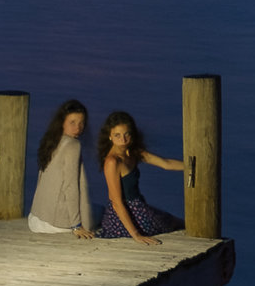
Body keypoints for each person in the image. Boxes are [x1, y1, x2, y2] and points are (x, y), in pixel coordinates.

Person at [92, 109, 185, 245]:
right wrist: (136, 235)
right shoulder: (112, 162)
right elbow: (116, 203)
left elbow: (166, 164)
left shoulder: (133, 153)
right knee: (176, 225)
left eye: (126, 134)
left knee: (176, 222)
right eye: (117, 135)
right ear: (110, 136)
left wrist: (193, 165)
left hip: (139, 208)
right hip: (123, 217)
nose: (123, 139)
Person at [27, 99, 95, 235]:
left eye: (82, 123)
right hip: (54, 224)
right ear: (62, 122)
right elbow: (71, 186)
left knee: (95, 209)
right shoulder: (73, 145)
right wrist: (77, 226)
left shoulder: (51, 140)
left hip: (35, 219)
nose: (78, 128)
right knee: (101, 213)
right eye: (72, 122)